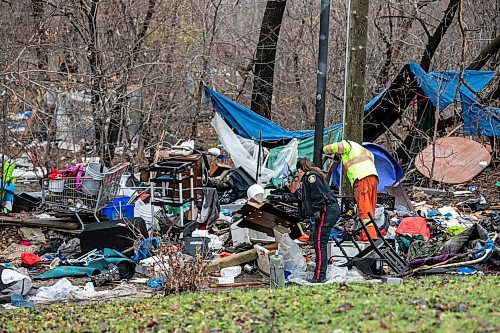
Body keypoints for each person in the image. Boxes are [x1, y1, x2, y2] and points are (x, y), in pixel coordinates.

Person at [269, 157, 340, 283]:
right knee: (319, 243)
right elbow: (297, 196)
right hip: (326, 210)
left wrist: (317, 210)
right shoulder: (307, 181)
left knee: (319, 242)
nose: (298, 175)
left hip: (326, 211)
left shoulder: (310, 176)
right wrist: (279, 197)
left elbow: (319, 195)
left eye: (298, 172)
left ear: (301, 169)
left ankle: (319, 276)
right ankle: (319, 273)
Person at [323, 140, 379, 240]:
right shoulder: (366, 151)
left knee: (364, 211)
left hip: (361, 179)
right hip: (373, 179)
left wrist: (323, 149)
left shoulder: (347, 144)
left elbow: (336, 147)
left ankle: (369, 238)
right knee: (370, 210)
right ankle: (367, 235)